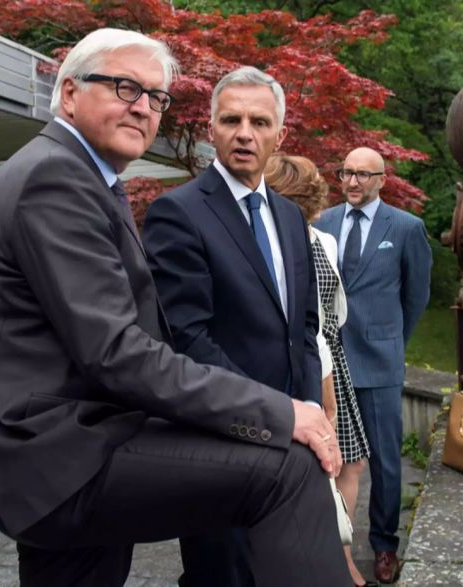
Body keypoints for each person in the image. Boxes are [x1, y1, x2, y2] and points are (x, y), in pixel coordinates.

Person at [0, 28, 347, 587]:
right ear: (67, 93)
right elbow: (120, 352)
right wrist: (278, 413)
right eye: (124, 87)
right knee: (288, 469)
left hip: (72, 447)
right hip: (58, 455)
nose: (144, 107)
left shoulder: (85, 178)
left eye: (156, 97)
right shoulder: (54, 179)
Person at [142, 67, 324, 587]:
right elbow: (188, 339)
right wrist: (276, 414)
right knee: (222, 574)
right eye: (232, 119)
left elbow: (304, 328)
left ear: (279, 136)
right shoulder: (177, 213)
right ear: (211, 129)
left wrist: (308, 410)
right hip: (224, 440)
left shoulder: (290, 217)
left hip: (294, 438)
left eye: (259, 121)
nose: (245, 132)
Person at [314, 147, 432, 584]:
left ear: (383, 179)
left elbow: (416, 297)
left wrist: (392, 339)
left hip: (380, 360)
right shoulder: (322, 222)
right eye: (346, 173)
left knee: (385, 460)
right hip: (330, 362)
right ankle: (332, 543)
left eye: (364, 175)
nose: (353, 182)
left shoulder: (406, 228)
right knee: (332, 458)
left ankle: (384, 545)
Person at [264, 154, 374, 586]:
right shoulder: (281, 246)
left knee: (352, 462)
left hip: (335, 361)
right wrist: (324, 391)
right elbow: (306, 324)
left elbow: (333, 311)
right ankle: (334, 563)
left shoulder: (322, 241)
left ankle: (341, 552)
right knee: (326, 466)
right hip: (315, 369)